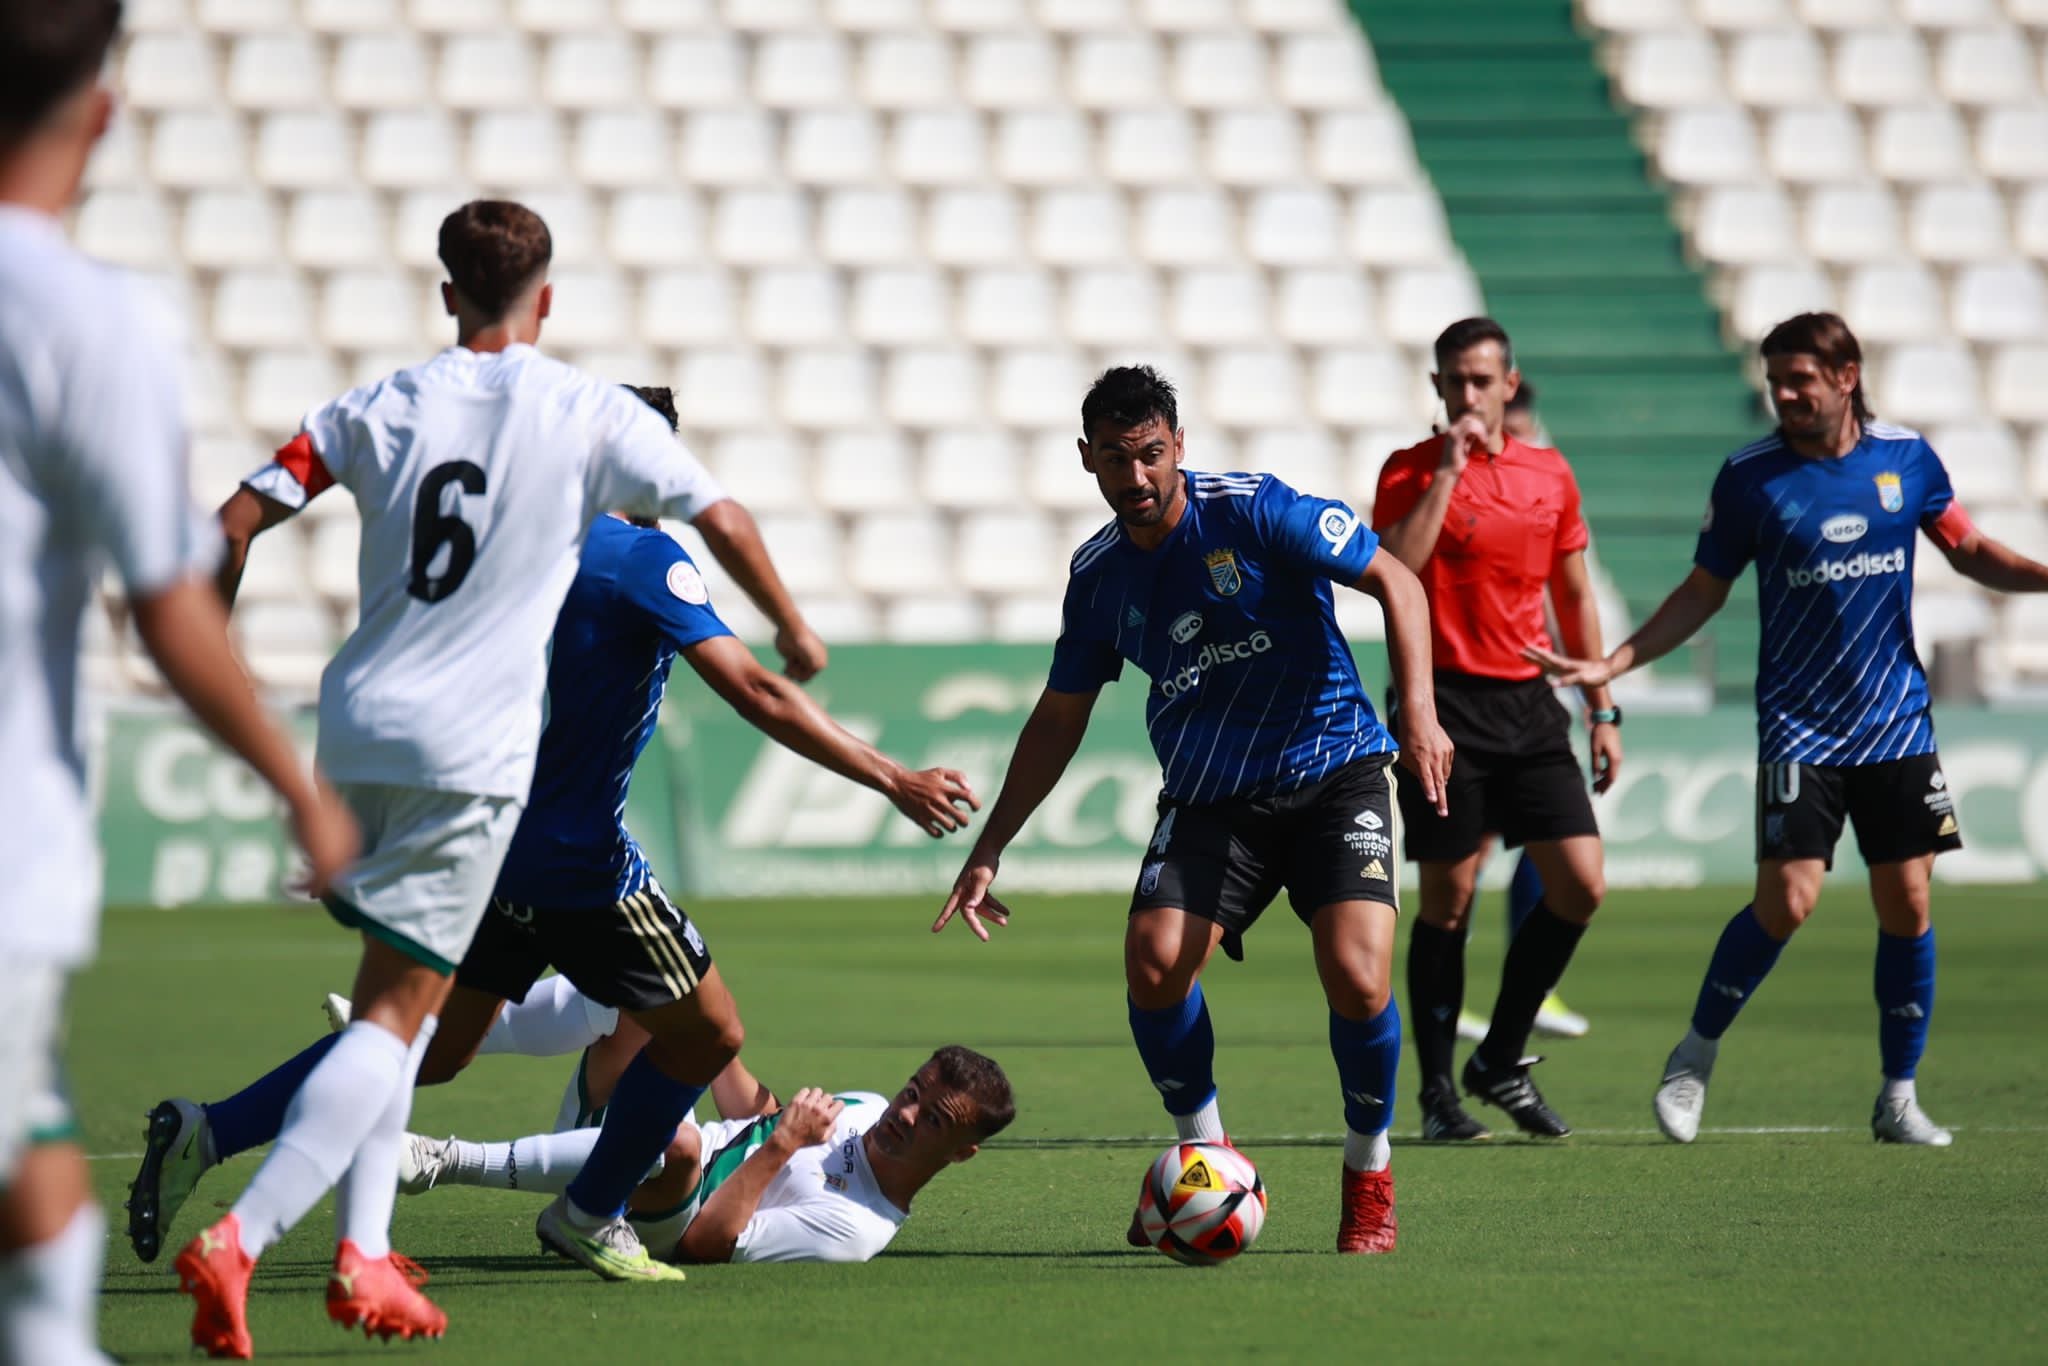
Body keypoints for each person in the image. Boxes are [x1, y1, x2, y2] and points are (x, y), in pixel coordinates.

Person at [166, 200, 755, 1359]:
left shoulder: (372, 406)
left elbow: (229, 525)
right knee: (399, 1028)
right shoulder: (582, 454)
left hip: (355, 736)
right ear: (544, 299)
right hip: (467, 774)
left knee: (415, 1029)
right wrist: (792, 625)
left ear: (445, 291)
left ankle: (359, 1247)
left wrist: (222, 669)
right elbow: (722, 528)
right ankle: (244, 1235)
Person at [134, 486, 975, 1284]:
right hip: (578, 860)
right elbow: (753, 687)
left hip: (488, 842)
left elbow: (381, 664)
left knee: (428, 1050)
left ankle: (208, 1133)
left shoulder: (507, 550)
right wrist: (890, 778)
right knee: (710, 1033)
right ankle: (587, 1210)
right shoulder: (643, 557)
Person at [0, 4, 356, 1361]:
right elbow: (165, 598)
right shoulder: (91, 321)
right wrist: (292, 779)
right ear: (100, 114)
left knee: (30, 1150)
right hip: (8, 845)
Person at [934, 365, 1453, 1254]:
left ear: (1178, 444)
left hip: (1334, 772)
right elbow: (1061, 715)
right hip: (1214, 800)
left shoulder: (1255, 509)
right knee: (1154, 961)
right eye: (1113, 460)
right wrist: (992, 847)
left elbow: (1397, 582)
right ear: (1086, 459)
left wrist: (1419, 713)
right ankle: (1202, 1157)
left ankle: (1369, 1171)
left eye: (1149, 455)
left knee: (1360, 976)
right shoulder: (1097, 576)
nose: (1134, 477)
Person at [1528, 311, 2048, 1147]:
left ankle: (1898, 1096)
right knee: (1789, 900)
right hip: (1801, 726)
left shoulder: (1906, 461)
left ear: (1847, 377)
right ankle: (1694, 1055)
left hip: (1896, 723)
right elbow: (1704, 590)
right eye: (1775, 380)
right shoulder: (1751, 479)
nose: (1784, 393)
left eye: (1800, 378)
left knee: (1907, 901)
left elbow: (1967, 548)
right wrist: (1614, 663)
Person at [1371, 319, 1619, 1141]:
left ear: (1510, 385)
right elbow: (1394, 572)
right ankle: (1440, 1093)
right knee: (1449, 899)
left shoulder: (1550, 474)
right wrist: (1447, 472)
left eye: (1481, 381)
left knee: (1581, 883)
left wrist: (1601, 706)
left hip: (1528, 702)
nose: (1467, 395)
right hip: (1439, 703)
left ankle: (1500, 1057)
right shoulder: (1409, 469)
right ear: (1438, 388)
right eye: (1453, 382)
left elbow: (1575, 596)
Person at [397, 1046, 1016, 1266]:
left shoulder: (856, 1230)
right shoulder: (867, 1105)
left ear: (961, 1153)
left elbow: (707, 1244)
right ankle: (420, 1034)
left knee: (680, 1145)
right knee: (644, 1001)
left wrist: (783, 1145)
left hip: (662, 1223)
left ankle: (439, 1161)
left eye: (931, 1119)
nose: (904, 1114)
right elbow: (754, 1119)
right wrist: (709, 1038)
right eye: (913, 1093)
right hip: (630, 1161)